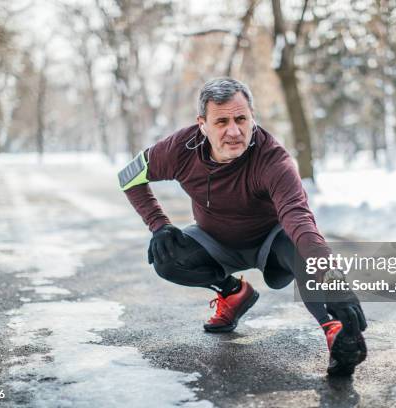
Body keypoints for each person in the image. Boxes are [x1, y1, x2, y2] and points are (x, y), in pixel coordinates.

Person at [118, 77, 367, 376]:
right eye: (221, 121)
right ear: (202, 124)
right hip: (214, 239)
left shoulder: (273, 159)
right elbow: (128, 177)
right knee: (166, 257)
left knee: (303, 252)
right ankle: (233, 292)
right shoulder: (178, 150)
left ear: (252, 118)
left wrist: (333, 280)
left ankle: (335, 329)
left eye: (241, 119)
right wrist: (158, 225)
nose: (234, 131)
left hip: (272, 244)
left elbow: (300, 221)